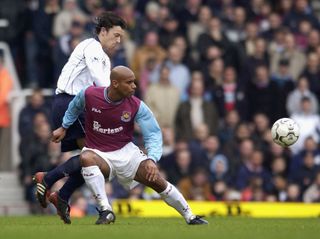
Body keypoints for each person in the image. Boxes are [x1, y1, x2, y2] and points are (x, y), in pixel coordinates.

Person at [52, 66, 208, 225]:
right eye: (129, 82)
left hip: (126, 152)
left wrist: (151, 159)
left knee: (158, 182)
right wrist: (64, 127)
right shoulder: (90, 94)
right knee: (85, 157)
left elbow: (153, 133)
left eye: (134, 82)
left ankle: (190, 216)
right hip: (99, 153)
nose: (134, 86)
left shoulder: (136, 105)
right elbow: (74, 106)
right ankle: (106, 210)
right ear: (115, 83)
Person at [33, 11, 126, 223]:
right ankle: (48, 179)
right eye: (116, 35)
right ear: (103, 31)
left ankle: (62, 195)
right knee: (98, 156)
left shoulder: (104, 57)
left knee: (94, 161)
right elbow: (102, 85)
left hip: (79, 105)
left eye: (121, 37)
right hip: (70, 102)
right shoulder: (91, 47)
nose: (118, 41)